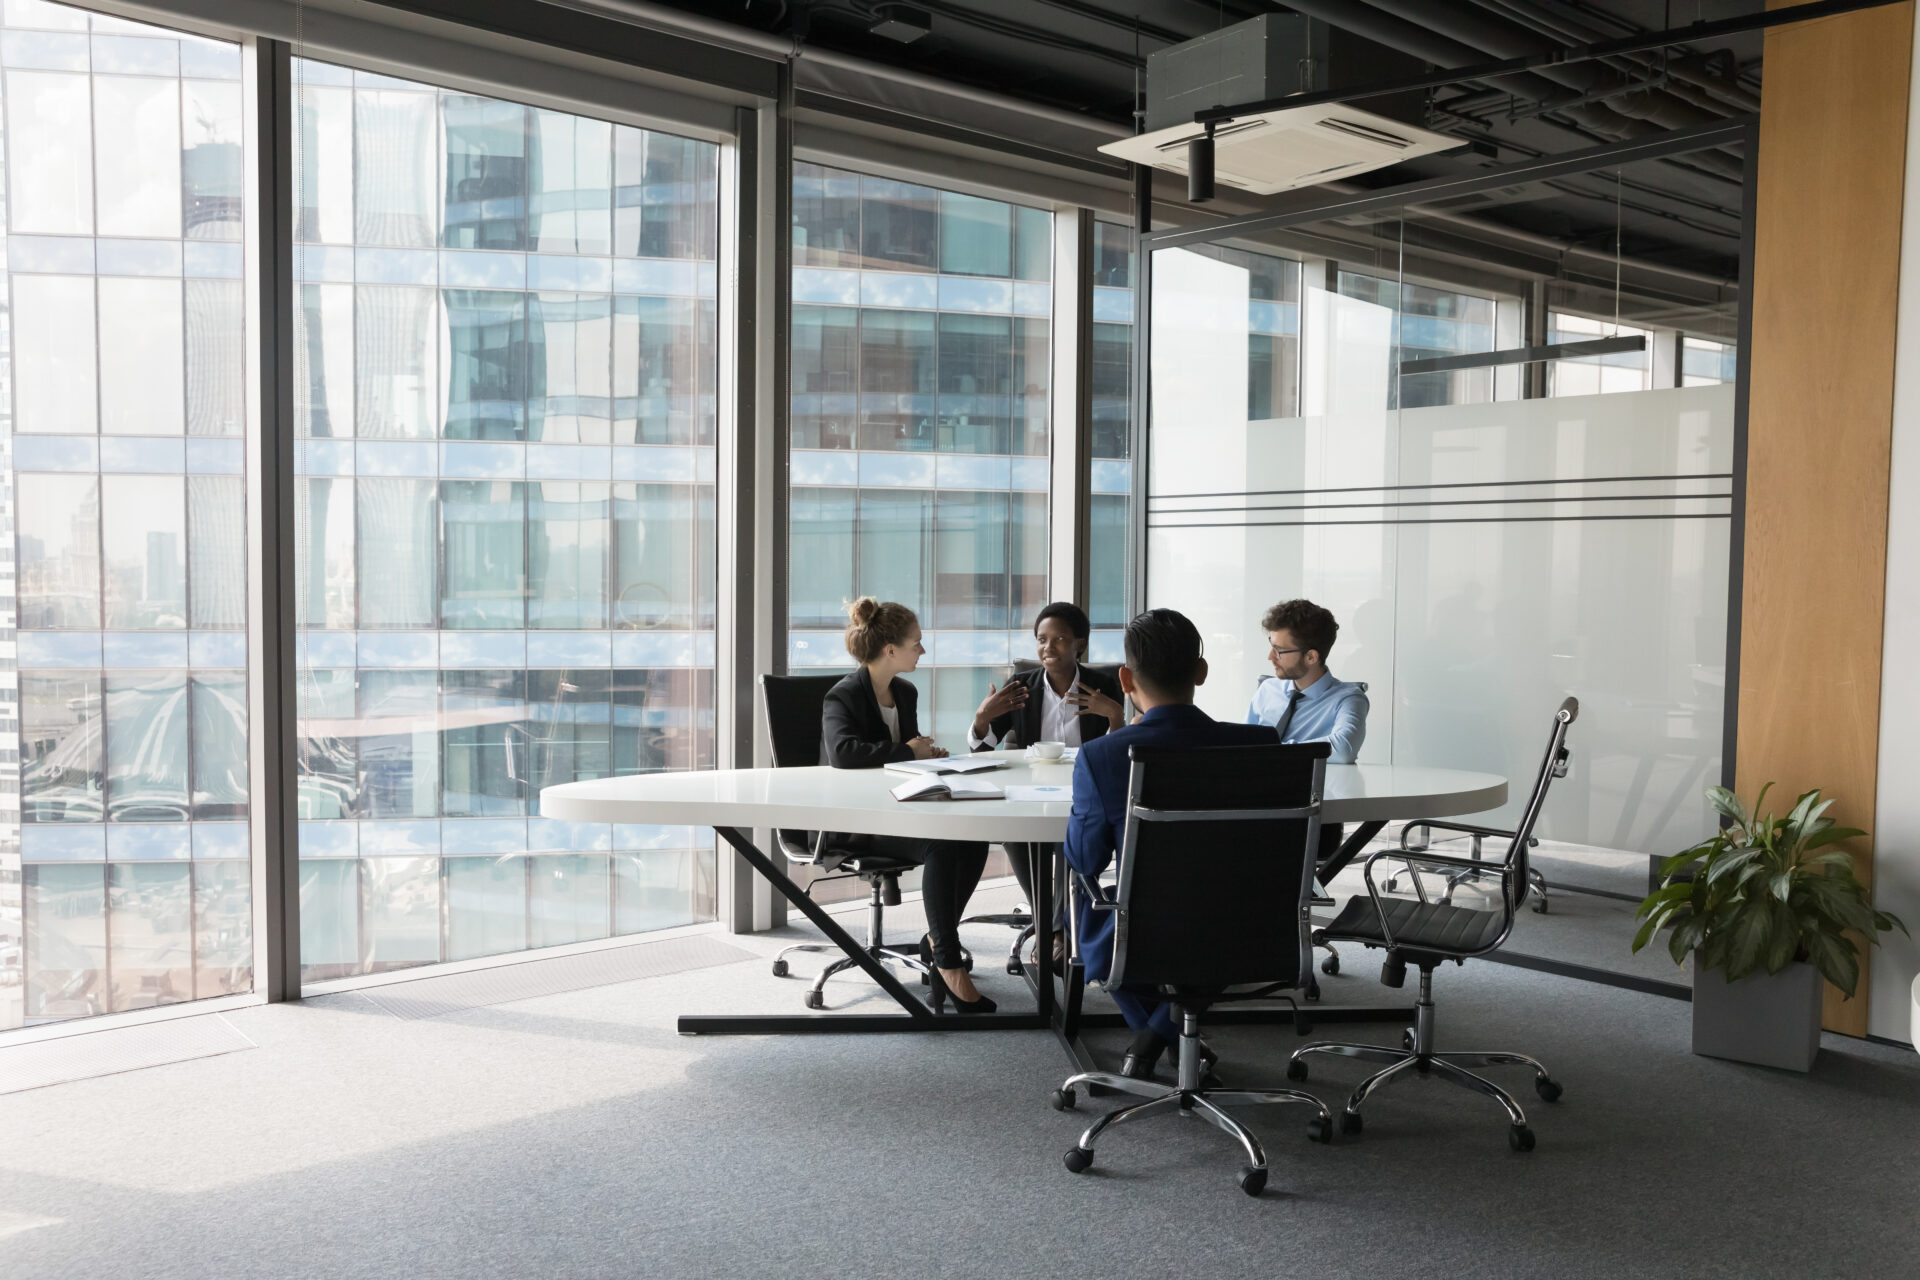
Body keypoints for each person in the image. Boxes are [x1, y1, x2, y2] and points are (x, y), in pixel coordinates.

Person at [1063, 608, 1274, 1079]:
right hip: (1250, 924)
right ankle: (1172, 1039)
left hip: (1148, 929)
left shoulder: (1103, 755)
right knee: (1209, 917)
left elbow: (1085, 858)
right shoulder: (1260, 745)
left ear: (1124, 677)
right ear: (1201, 672)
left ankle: (1157, 1036)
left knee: (1079, 896)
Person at [821, 597, 996, 1013]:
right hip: (856, 821)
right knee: (941, 845)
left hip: (899, 808)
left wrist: (927, 757)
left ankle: (938, 938)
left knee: (973, 837)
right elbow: (843, 753)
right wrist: (907, 752)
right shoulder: (842, 696)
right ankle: (948, 961)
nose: (923, 650)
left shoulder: (905, 691)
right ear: (890, 650)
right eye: (917, 643)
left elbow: (904, 757)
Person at [968, 601, 1126, 968]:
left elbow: (1118, 756)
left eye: (1059, 640)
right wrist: (981, 719)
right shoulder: (1022, 686)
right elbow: (982, 751)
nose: (1048, 648)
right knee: (1015, 834)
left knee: (1071, 834)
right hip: (1033, 791)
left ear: (1079, 646)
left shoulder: (1102, 686)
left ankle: (1052, 928)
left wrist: (1115, 715)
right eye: (1042, 640)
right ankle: (1055, 927)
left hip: (1084, 792)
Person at [1246, 598, 1369, 764]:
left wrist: (1273, 751)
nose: (1270, 657)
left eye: (1279, 650)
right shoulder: (1268, 689)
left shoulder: (1348, 699)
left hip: (1315, 789)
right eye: (1271, 646)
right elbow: (1243, 747)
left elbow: (1344, 749)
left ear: (1311, 657)